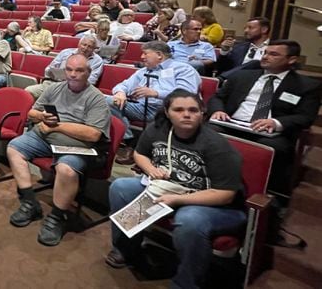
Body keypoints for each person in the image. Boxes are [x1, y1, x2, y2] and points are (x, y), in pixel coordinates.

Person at [106, 90, 245, 288]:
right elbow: (139, 154)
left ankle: (185, 282)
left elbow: (225, 195)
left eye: (193, 110)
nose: (186, 114)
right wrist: (151, 169)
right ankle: (125, 249)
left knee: (189, 219)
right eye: (178, 110)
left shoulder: (217, 145)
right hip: (169, 190)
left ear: (202, 113)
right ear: (167, 112)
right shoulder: (158, 129)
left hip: (215, 204)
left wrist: (177, 200)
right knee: (121, 187)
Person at [7, 54, 111, 246]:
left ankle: (56, 217)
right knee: (14, 148)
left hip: (77, 146)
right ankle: (30, 202)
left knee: (65, 169)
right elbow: (32, 112)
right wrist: (42, 116)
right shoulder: (55, 88)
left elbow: (93, 135)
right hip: (45, 137)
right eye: (69, 69)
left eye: (79, 70)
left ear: (88, 73)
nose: (73, 74)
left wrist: (58, 125)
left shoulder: (96, 98)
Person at [207, 40, 321, 194]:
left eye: (273, 54)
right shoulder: (243, 76)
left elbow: (305, 117)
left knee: (272, 147)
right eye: (265, 52)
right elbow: (217, 98)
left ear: (291, 60)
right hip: (231, 124)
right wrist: (218, 111)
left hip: (270, 133)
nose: (265, 57)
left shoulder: (306, 85)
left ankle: (260, 193)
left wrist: (276, 122)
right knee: (208, 131)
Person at [108, 41, 201, 164]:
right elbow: (123, 85)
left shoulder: (183, 69)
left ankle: (136, 147)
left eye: (145, 54)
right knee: (104, 101)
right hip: (141, 107)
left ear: (159, 55)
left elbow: (187, 94)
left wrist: (156, 93)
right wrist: (120, 93)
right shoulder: (144, 71)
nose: (142, 57)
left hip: (167, 110)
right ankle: (130, 140)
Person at [25, 36, 103, 98]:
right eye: (84, 44)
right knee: (28, 91)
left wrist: (72, 80)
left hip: (75, 91)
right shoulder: (66, 52)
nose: (85, 48)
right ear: (79, 44)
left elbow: (91, 81)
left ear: (93, 49)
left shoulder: (97, 61)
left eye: (89, 47)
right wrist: (52, 72)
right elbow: (49, 68)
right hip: (53, 83)